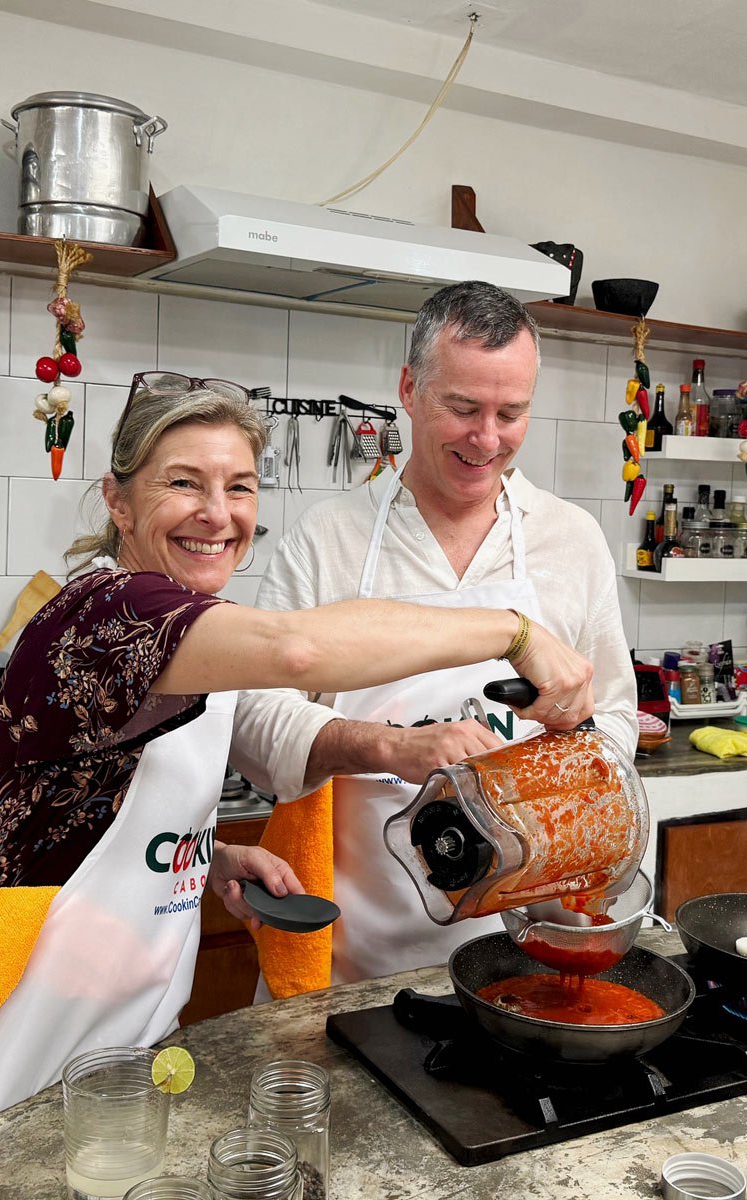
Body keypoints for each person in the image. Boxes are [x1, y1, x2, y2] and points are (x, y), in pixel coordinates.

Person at [0, 373, 565, 1189]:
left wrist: (204, 853)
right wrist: (515, 634)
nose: (216, 513)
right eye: (182, 483)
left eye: (239, 487)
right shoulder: (107, 614)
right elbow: (300, 652)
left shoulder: (185, 626)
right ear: (117, 502)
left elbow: (95, 804)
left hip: (100, 1079)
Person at [231, 281, 638, 990]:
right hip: (354, 962)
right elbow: (256, 726)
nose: (488, 439)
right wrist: (391, 746)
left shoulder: (571, 540)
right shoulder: (330, 539)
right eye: (463, 408)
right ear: (410, 388)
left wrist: (547, 769)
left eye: (512, 414)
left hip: (523, 951)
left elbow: (620, 721)